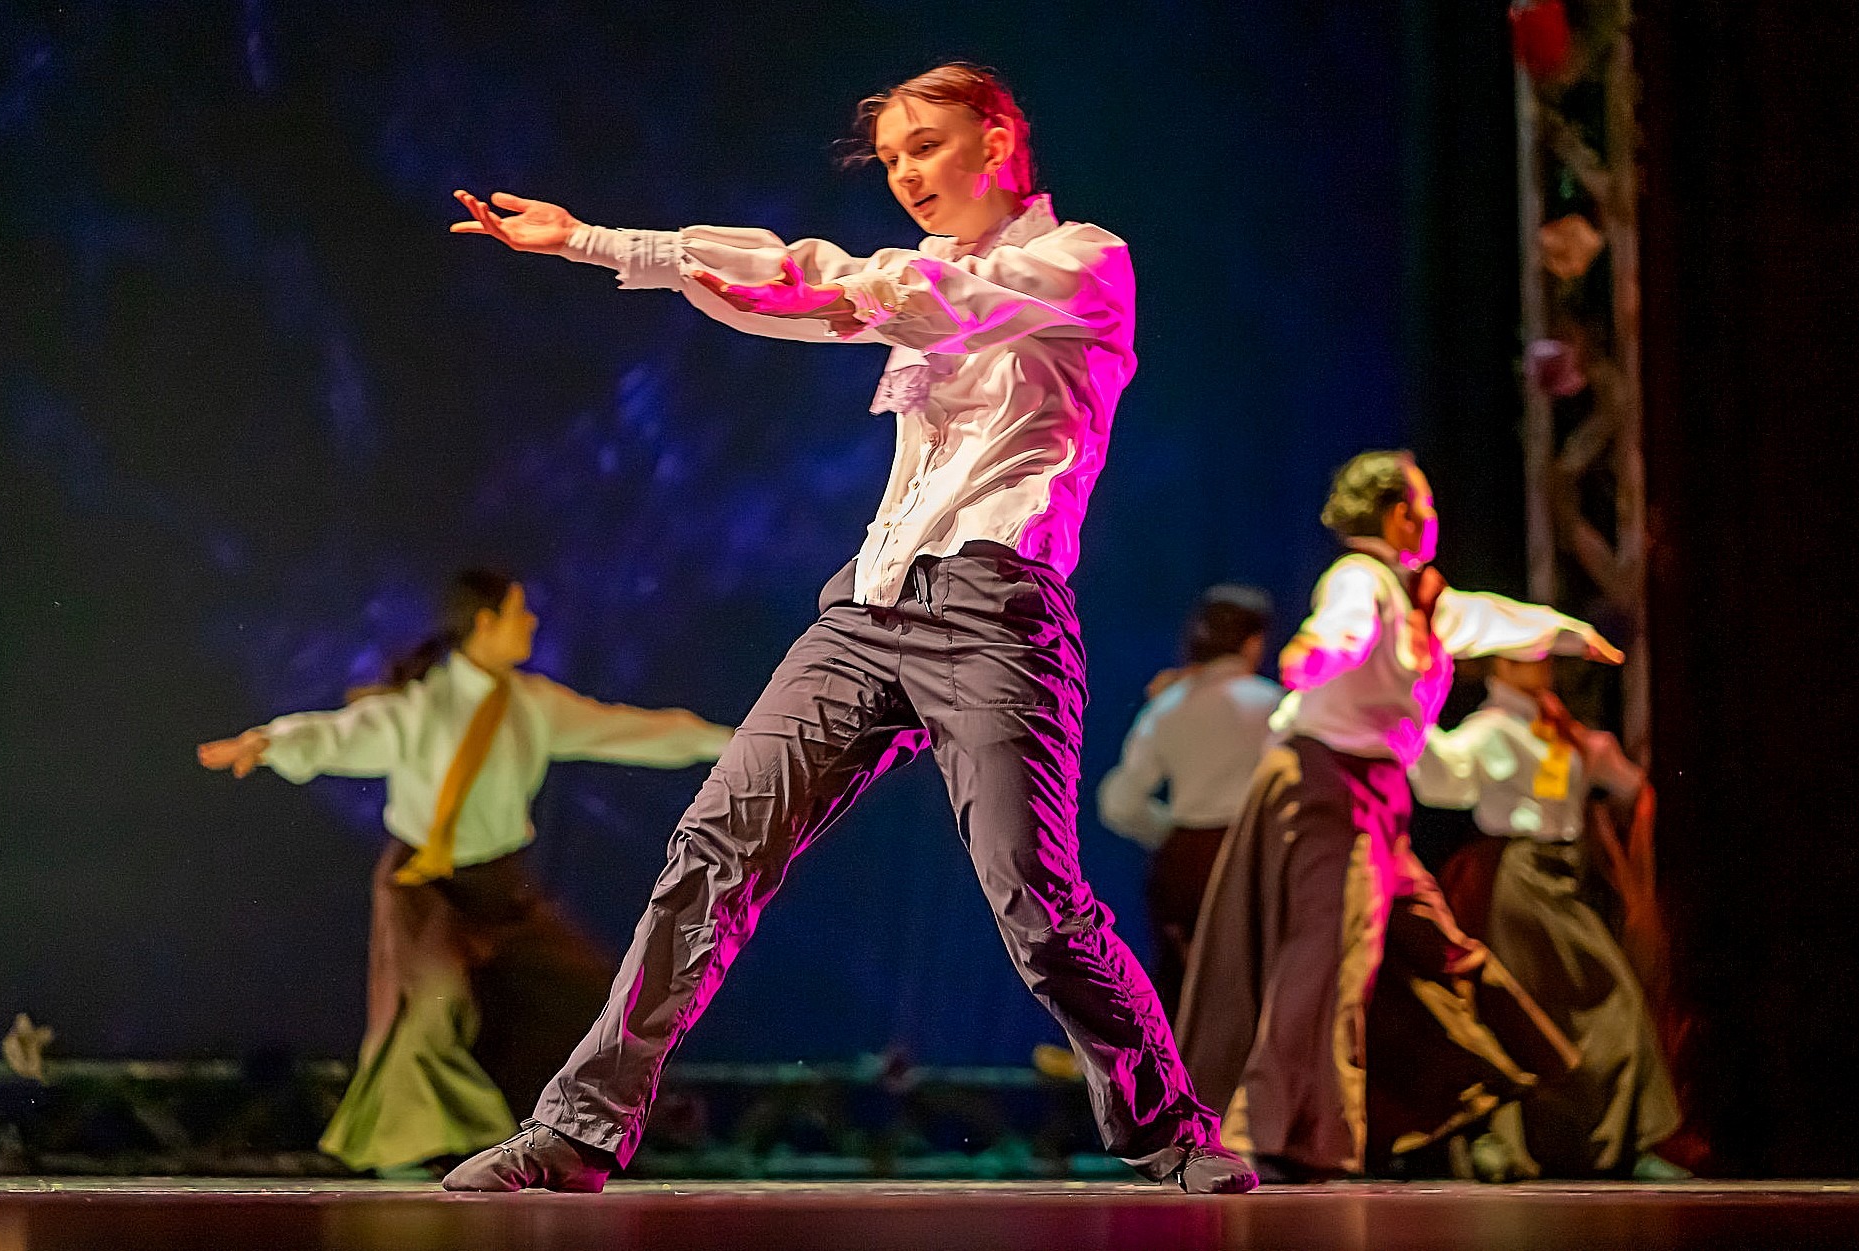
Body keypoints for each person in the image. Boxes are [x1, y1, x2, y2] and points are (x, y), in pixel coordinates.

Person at [438, 63, 1254, 1194]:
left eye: (925, 146)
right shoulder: (914, 279)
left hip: (996, 615)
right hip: (868, 609)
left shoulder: (1082, 264)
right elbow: (793, 284)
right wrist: (590, 242)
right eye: (891, 162)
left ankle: (1172, 1132)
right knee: (713, 851)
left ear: (998, 136)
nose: (907, 175)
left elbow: (912, 297)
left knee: (1034, 899)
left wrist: (860, 285)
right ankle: (578, 1130)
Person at [198, 569, 731, 1177]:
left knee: (591, 992)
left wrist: (731, 743)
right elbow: (343, 735)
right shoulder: (424, 706)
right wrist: (271, 742)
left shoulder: (534, 705)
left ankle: (571, 1131)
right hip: (428, 885)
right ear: (485, 624)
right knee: (433, 1005)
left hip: (503, 889)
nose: (530, 625)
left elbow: (631, 730)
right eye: (519, 614)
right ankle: (424, 1148)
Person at [1176, 450, 1618, 1181]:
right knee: (1329, 956)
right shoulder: (1362, 580)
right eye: (1423, 504)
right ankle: (1279, 1131)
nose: (1433, 518)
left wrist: (1574, 635)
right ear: (1395, 514)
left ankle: (1488, 1073)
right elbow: (1342, 628)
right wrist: (1317, 653)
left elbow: (1500, 618)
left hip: (1376, 798)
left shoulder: (1428, 601)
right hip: (1323, 783)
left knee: (1435, 940)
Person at [1410, 656, 1681, 1177]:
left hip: (1564, 873)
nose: (1537, 666)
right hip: (1519, 877)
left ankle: (1612, 1142)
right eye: (1520, 657)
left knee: (1577, 1006)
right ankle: (1510, 1143)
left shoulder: (1558, 729)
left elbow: (1625, 783)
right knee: (1549, 1000)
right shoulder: (1491, 730)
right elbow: (1441, 779)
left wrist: (1602, 763)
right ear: (1498, 667)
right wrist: (1417, 713)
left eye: (1539, 655)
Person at [1097, 584, 1282, 1019]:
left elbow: (1119, 802)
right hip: (1248, 859)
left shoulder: (1167, 707)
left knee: (1183, 995)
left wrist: (1172, 829)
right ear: (1254, 642)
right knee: (1252, 993)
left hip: (1181, 865)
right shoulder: (1274, 706)